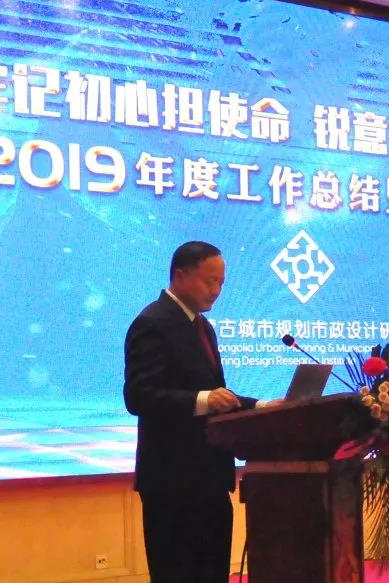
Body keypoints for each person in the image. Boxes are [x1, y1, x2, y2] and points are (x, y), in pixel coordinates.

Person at [124, 241, 275, 583]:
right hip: (172, 484)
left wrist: (263, 406)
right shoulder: (152, 322)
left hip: (209, 480)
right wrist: (203, 400)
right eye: (210, 281)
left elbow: (216, 394)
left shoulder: (203, 327)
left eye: (221, 282)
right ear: (180, 276)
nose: (217, 291)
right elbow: (138, 396)